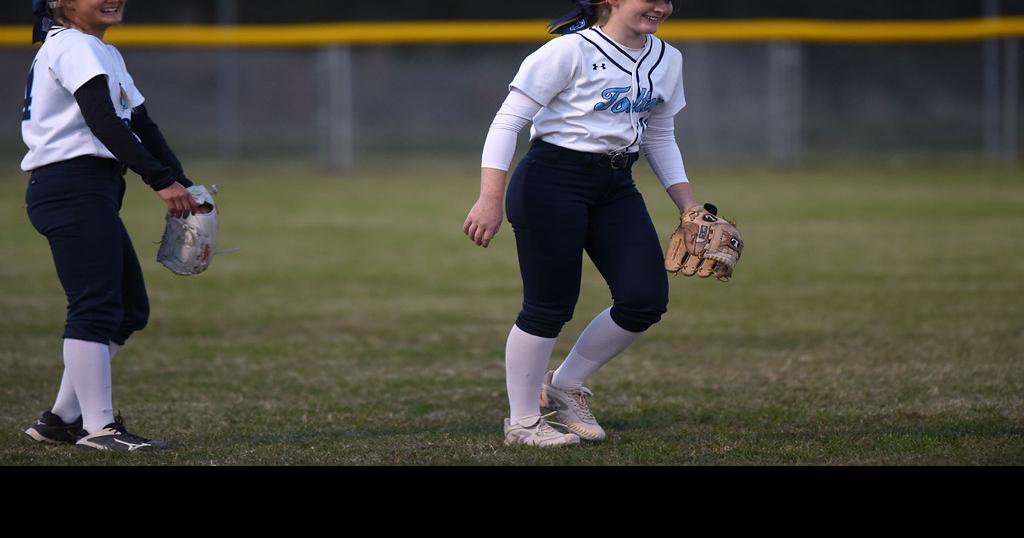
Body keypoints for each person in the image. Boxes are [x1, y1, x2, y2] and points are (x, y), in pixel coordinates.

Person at [463, 0, 698, 447]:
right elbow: (506, 122)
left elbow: (659, 133)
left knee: (644, 298)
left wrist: (688, 208)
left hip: (616, 184)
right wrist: (489, 198)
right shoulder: (567, 51)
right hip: (551, 180)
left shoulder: (668, 58)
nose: (661, 6)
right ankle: (523, 422)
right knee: (549, 305)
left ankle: (565, 384)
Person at [21, 0, 199, 451]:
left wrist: (185, 184)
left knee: (128, 309)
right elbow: (102, 121)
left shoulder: (103, 51)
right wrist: (161, 181)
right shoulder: (74, 45)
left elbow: (142, 125)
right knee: (96, 305)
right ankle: (98, 429)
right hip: (69, 185)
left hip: (91, 188)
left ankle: (60, 420)